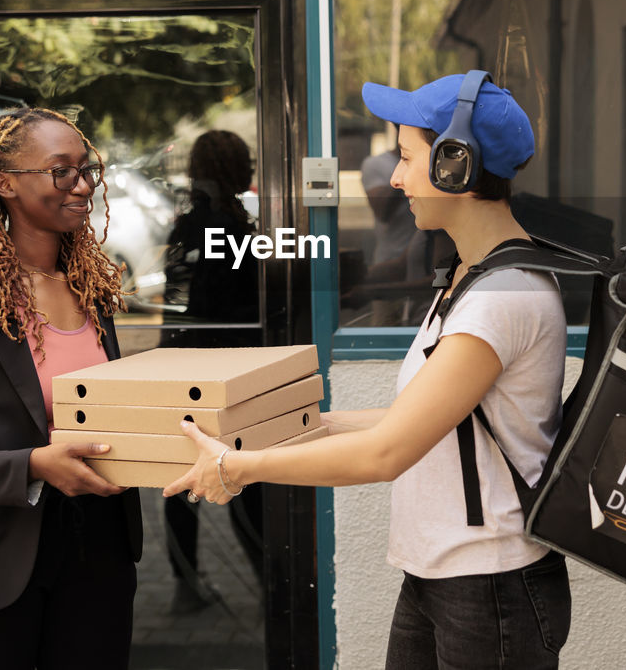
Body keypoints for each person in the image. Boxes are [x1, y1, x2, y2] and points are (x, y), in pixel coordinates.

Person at [166, 73, 573, 669]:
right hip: (440, 573)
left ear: (454, 165)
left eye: (407, 158)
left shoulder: (502, 297)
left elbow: (387, 453)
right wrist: (313, 424)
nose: (398, 177)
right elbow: (419, 421)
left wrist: (239, 468)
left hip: (489, 588)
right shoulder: (468, 277)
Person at [0, 107, 142, 670]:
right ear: (5, 184)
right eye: (62, 171)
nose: (83, 184)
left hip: (97, 553)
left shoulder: (91, 290)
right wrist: (36, 465)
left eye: (87, 169)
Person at [160, 129, 265, 613]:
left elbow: (178, 303)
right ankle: (273, 587)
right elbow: (242, 308)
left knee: (182, 479)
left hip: (181, 363)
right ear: (235, 171)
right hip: (228, 369)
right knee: (246, 482)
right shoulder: (231, 228)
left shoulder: (185, 225)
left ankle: (186, 585)